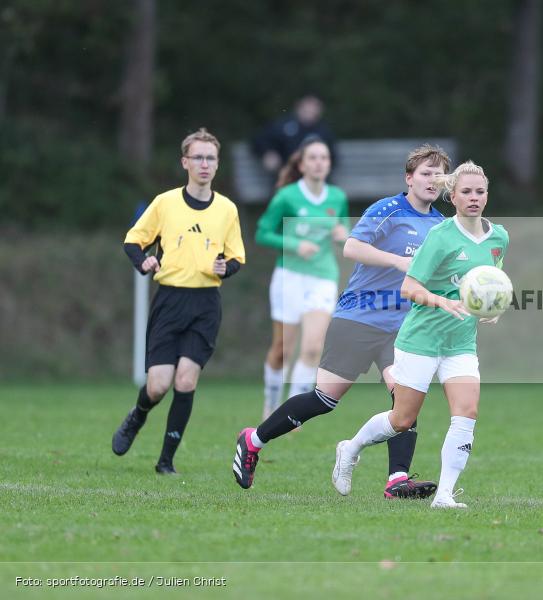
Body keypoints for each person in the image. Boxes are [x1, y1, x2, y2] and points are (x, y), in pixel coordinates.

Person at [233, 144, 451, 499]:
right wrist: (397, 262)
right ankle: (253, 440)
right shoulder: (387, 209)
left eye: (438, 175)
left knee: (406, 400)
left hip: (402, 327)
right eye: (425, 173)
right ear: (409, 178)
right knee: (324, 399)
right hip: (359, 317)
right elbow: (351, 247)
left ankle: (397, 480)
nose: (432, 180)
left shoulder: (440, 226)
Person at [330, 160, 509, 509]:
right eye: (466, 192)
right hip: (421, 339)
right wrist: (442, 301)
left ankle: (444, 495)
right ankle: (350, 448)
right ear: (453, 196)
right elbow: (410, 287)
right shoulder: (439, 236)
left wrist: (494, 308)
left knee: (467, 411)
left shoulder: (499, 237)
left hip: (460, 342)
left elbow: (491, 281)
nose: (474, 198)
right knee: (402, 419)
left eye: (480, 192)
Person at [113, 128, 246, 474]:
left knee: (186, 381)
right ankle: (137, 415)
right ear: (185, 162)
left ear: (217, 165)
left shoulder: (227, 210)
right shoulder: (165, 203)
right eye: (198, 157)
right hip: (169, 301)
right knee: (157, 385)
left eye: (211, 158)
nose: (204, 164)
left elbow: (236, 258)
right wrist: (143, 261)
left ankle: (166, 462)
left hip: (205, 305)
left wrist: (225, 267)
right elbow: (133, 242)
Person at [257, 136, 350, 419]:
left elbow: (344, 231)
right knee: (281, 351)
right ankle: (271, 402)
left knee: (311, 349)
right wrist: (295, 245)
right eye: (313, 157)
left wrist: (342, 235)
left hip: (323, 277)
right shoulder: (287, 197)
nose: (319, 162)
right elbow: (262, 233)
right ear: (301, 163)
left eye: (324, 157)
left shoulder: (338, 197)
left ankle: (289, 415)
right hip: (290, 276)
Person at [252, 95, 338, 175]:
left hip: (315, 178)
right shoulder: (283, 126)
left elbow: (332, 157)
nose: (311, 109)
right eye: (308, 105)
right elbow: (260, 140)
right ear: (299, 106)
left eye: (315, 106)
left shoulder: (323, 131)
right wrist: (268, 152)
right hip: (288, 176)